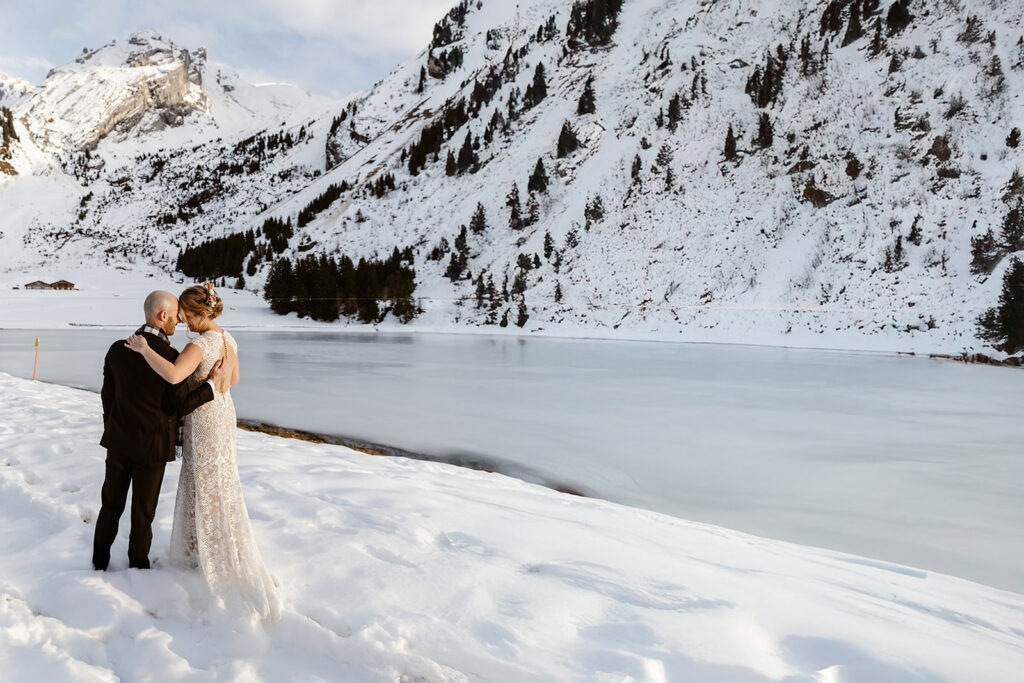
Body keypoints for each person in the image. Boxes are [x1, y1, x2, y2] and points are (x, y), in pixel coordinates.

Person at [125, 283, 280, 620]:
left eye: (187, 317)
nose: (184, 323)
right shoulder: (228, 338)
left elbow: (172, 376)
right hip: (224, 413)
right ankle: (214, 548)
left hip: (204, 419)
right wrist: (216, 381)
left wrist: (143, 349)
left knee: (204, 481)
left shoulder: (199, 343)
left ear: (198, 314)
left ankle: (205, 555)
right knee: (221, 480)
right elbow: (234, 379)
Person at [94, 290, 229, 571]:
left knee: (110, 505)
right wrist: (211, 387)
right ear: (163, 315)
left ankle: (99, 562)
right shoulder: (170, 356)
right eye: (176, 317)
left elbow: (107, 396)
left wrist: (114, 427)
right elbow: (180, 405)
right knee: (143, 513)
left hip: (118, 442)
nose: (179, 322)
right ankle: (138, 566)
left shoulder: (117, 349)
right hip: (153, 447)